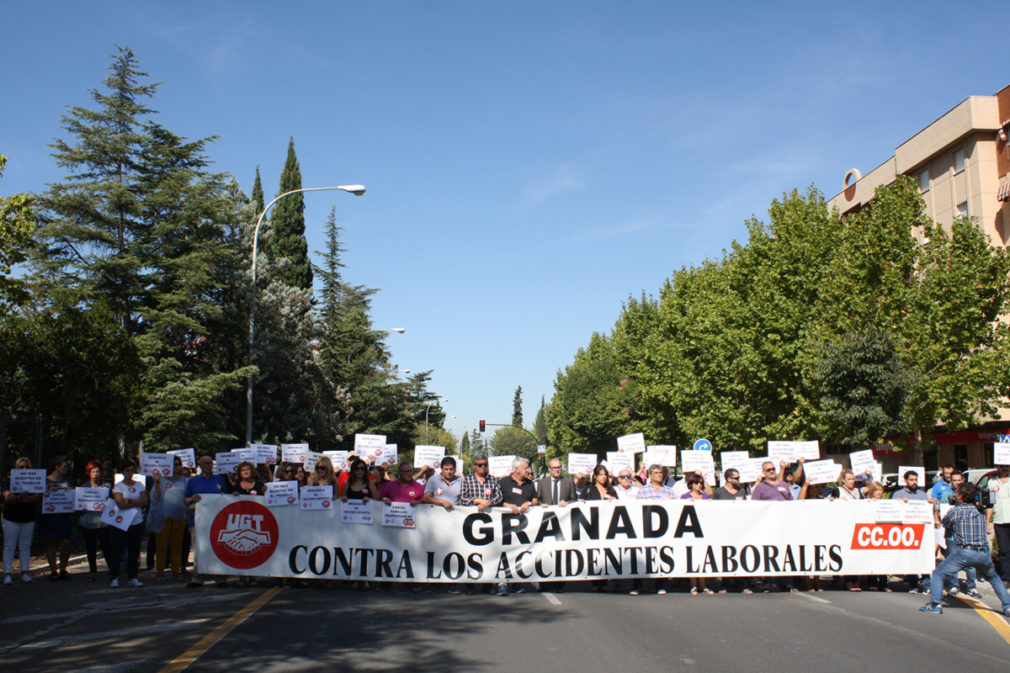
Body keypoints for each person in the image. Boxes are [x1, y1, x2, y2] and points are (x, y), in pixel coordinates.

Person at [919, 482, 1010, 616]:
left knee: (939, 573)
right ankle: (1008, 606)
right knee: (994, 577)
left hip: (965, 552)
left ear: (960, 497)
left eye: (956, 494)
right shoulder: (980, 511)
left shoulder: (955, 511)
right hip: (983, 552)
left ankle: (935, 604)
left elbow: (945, 523)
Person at [183, 455, 228, 588]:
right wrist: (192, 498)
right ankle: (198, 576)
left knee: (218, 547)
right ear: (200, 465)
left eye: (210, 463)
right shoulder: (193, 481)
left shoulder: (219, 480)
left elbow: (226, 496)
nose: (209, 465)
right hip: (198, 521)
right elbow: (185, 500)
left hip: (217, 521)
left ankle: (220, 577)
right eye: (206, 463)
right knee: (199, 549)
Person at [633, 464, 677, 595]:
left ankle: (660, 585)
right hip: (647, 527)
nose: (660, 475)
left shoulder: (670, 491)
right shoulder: (643, 491)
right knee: (643, 555)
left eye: (661, 473)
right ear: (650, 475)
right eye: (656, 472)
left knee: (662, 554)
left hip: (664, 529)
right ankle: (638, 585)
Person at [496, 458, 538, 596]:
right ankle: (502, 582)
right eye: (527, 468)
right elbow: (497, 501)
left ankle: (516, 582)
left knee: (518, 553)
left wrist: (529, 504)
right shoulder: (503, 483)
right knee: (503, 554)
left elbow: (535, 499)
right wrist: (507, 506)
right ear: (517, 469)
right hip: (504, 525)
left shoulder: (530, 484)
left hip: (523, 528)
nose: (529, 470)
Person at [108, 459, 148, 587]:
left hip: (136, 522)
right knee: (117, 551)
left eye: (132, 470)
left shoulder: (139, 485)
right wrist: (136, 501)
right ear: (123, 472)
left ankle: (133, 577)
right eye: (127, 470)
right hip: (121, 523)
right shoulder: (118, 486)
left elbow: (145, 501)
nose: (130, 473)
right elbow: (120, 503)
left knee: (134, 551)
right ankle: (114, 577)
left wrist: (129, 501)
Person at [891, 470, 932, 594]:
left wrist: (931, 505)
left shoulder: (923, 495)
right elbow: (893, 511)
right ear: (905, 481)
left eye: (915, 480)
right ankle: (913, 584)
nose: (914, 482)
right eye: (911, 480)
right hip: (907, 532)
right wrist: (899, 504)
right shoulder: (898, 494)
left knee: (924, 558)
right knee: (910, 559)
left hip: (921, 531)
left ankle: (927, 584)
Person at [940, 471, 979, 598]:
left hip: (968, 535)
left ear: (962, 480)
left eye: (959, 480)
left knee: (970, 562)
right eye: (954, 480)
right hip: (952, 535)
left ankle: (972, 587)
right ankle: (953, 585)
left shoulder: (969, 495)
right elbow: (944, 518)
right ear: (950, 482)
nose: (957, 483)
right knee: (953, 560)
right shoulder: (946, 496)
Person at [3, 457, 41, 584]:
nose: (24, 469)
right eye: (21, 467)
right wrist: (20, 497)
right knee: (10, 546)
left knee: (25, 546)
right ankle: (7, 574)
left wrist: (20, 498)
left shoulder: (35, 480)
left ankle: (25, 572)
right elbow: (8, 498)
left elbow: (37, 497)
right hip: (11, 518)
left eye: (27, 467)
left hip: (28, 517)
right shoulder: (10, 481)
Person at [151, 455, 188, 581]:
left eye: (178, 464)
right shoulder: (161, 479)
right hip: (164, 516)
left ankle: (176, 571)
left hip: (179, 516)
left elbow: (188, 496)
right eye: (173, 464)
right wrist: (156, 482)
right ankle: (160, 570)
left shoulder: (184, 480)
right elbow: (155, 497)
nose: (176, 467)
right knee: (161, 544)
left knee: (177, 545)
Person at [38, 455, 74, 580]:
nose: (66, 469)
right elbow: (39, 495)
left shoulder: (67, 481)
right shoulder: (45, 481)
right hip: (49, 515)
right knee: (50, 542)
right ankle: (53, 570)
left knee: (66, 542)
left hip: (63, 515)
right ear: (57, 467)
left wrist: (70, 491)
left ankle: (63, 569)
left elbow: (72, 495)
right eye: (64, 466)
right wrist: (47, 491)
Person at [79, 459, 112, 582]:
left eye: (98, 471)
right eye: (93, 471)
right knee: (90, 548)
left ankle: (112, 569)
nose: (96, 474)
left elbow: (112, 500)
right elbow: (79, 505)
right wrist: (82, 508)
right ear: (89, 473)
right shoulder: (84, 487)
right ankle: (93, 571)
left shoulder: (106, 486)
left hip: (103, 521)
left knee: (107, 547)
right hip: (89, 521)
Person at [986, 464, 1010, 583]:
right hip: (1000, 521)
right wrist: (988, 522)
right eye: (1002, 466)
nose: (1005, 468)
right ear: (997, 467)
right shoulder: (992, 482)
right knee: (1004, 550)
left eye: (1007, 466)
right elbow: (990, 504)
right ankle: (1006, 577)